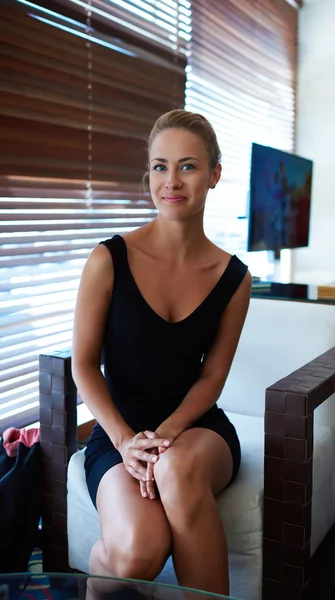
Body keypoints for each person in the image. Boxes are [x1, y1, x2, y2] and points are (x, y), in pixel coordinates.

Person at [72, 109, 252, 597]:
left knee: (174, 468)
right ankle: (98, 573)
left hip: (196, 429)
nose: (171, 181)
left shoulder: (234, 277)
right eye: (159, 166)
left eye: (188, 166)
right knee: (137, 553)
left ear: (215, 174)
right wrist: (129, 440)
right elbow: (84, 365)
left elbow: (212, 377)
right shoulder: (108, 259)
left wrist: (166, 437)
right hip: (117, 433)